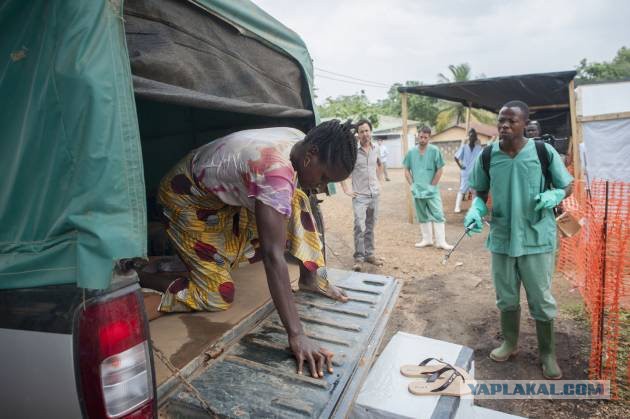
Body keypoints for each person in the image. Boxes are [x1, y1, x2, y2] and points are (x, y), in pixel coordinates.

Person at [146, 121, 357, 378]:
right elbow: (273, 256)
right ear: (311, 155)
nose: (323, 187)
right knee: (217, 294)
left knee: (298, 199)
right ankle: (142, 273)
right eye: (324, 177)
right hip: (183, 198)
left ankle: (309, 279)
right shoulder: (274, 171)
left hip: (217, 197)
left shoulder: (299, 141)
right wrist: (297, 334)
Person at [465, 100, 573, 379]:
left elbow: (566, 184)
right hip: (502, 238)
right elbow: (479, 192)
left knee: (541, 299)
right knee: (507, 297)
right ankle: (510, 343)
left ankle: (547, 353)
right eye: (501, 120)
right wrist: (477, 210)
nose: (504, 125)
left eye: (511, 120)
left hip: (536, 238)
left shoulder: (542, 152)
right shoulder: (489, 155)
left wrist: (556, 195)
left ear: (525, 123)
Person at [340, 119, 383, 272]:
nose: (365, 134)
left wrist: (380, 182)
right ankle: (359, 258)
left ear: (370, 132)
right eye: (361, 131)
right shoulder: (353, 152)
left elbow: (379, 164)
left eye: (367, 131)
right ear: (357, 135)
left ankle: (370, 254)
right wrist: (346, 189)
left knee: (371, 226)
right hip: (360, 196)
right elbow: (343, 171)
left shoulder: (376, 148)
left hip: (374, 194)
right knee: (359, 226)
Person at [403, 126, 453, 250]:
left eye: (426, 137)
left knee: (438, 214)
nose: (423, 139)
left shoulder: (434, 150)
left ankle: (441, 242)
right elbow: (406, 170)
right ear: (417, 136)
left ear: (429, 138)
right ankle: (427, 239)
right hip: (418, 190)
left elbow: (440, 170)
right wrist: (412, 185)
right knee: (421, 214)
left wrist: (432, 186)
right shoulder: (411, 152)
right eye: (421, 137)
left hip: (432, 190)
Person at [454, 128, 483, 213]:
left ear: (476, 138)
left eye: (474, 136)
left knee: (474, 191)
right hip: (465, 172)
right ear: (468, 137)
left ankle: (473, 208)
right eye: (470, 136)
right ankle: (457, 207)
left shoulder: (479, 148)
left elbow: (481, 159)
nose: (472, 137)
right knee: (462, 190)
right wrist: (460, 166)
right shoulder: (464, 147)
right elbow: (456, 157)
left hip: (475, 173)